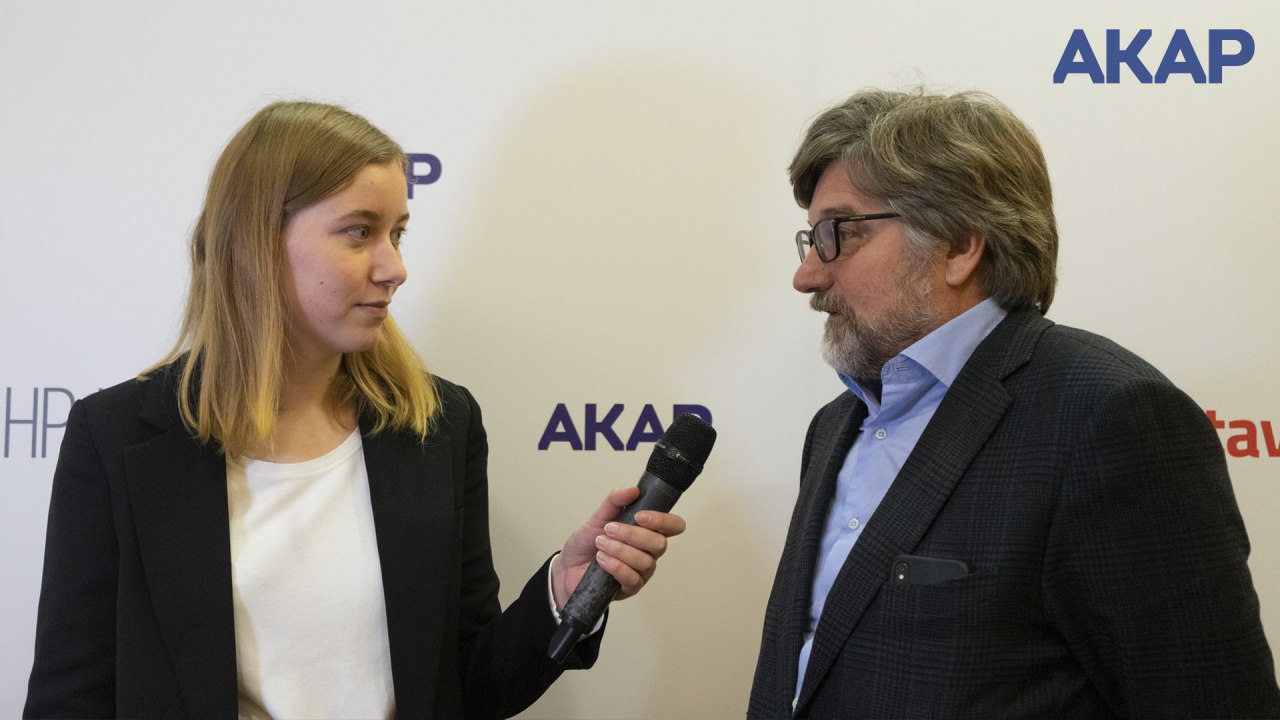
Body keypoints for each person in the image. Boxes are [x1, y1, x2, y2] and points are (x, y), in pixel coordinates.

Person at [24, 101, 685, 719]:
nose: (394, 267)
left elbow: (465, 687)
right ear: (256, 240)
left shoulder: (439, 424)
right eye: (359, 232)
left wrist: (563, 593)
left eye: (397, 233)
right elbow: (70, 698)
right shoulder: (114, 437)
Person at [749, 88, 1280, 718]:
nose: (807, 275)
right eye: (810, 238)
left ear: (958, 244)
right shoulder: (834, 427)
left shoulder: (1109, 419)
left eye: (839, 233)